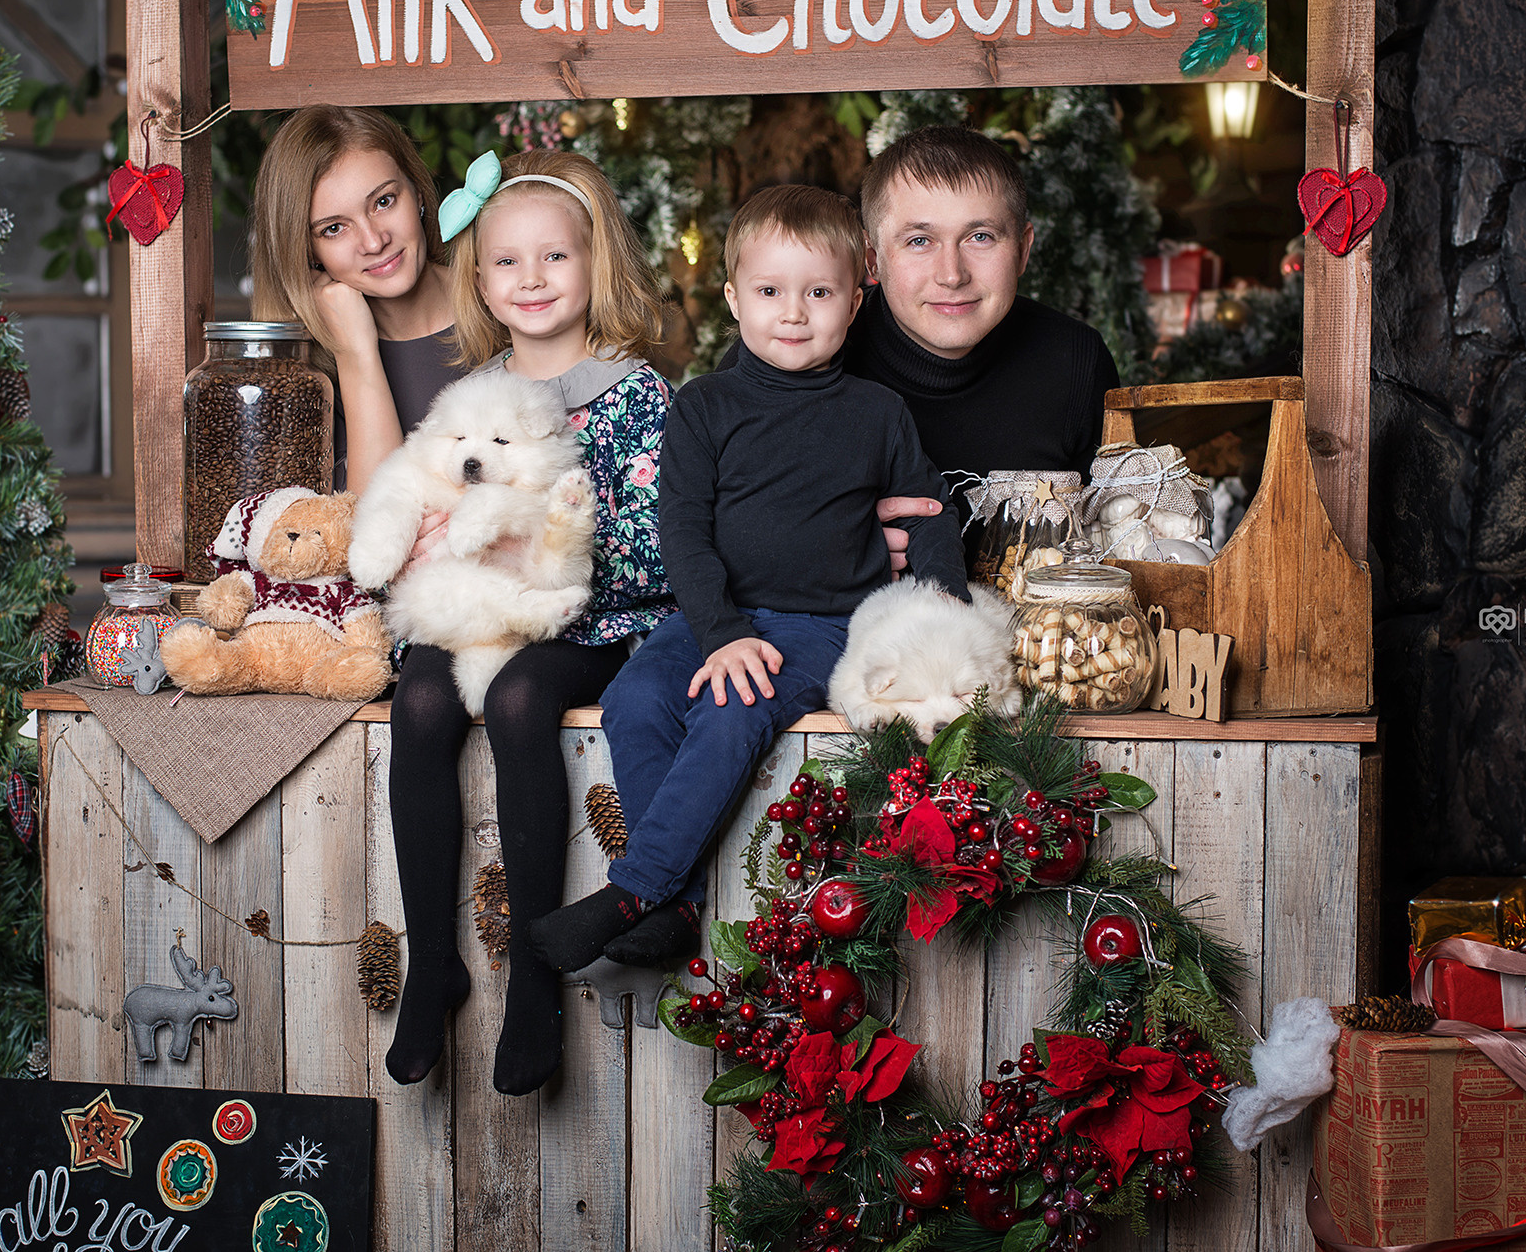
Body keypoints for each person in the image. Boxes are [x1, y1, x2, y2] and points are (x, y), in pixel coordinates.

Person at [529, 185, 970, 973]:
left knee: (733, 711)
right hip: (710, 613)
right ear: (735, 297)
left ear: (856, 298)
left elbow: (932, 513)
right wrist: (722, 632)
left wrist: (941, 605)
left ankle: (635, 891)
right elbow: (683, 531)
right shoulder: (703, 406)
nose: (793, 312)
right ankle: (679, 908)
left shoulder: (877, 411)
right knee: (635, 698)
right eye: (769, 291)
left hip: (820, 624)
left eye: (819, 292)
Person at [383, 149, 675, 1096]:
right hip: (481, 614)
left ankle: (536, 985)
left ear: (598, 266)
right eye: (507, 261)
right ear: (479, 278)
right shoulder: (475, 395)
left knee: (517, 700)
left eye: (555, 257)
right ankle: (433, 962)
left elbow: (646, 551)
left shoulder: (635, 394)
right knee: (420, 697)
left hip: (589, 625)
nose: (532, 278)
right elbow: (427, 504)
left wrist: (531, 556)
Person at [722, 126, 1122, 567]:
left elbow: (1118, 541)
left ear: (1024, 250)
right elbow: (704, 520)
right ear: (872, 259)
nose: (952, 275)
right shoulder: (790, 353)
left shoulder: (1075, 361)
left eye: (981, 237)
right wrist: (827, 537)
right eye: (919, 241)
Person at [250, 106, 457, 494]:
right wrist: (355, 354)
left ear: (416, 190)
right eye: (334, 228)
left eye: (384, 201)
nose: (374, 241)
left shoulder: (510, 300)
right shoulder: (303, 380)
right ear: (308, 252)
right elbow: (366, 536)